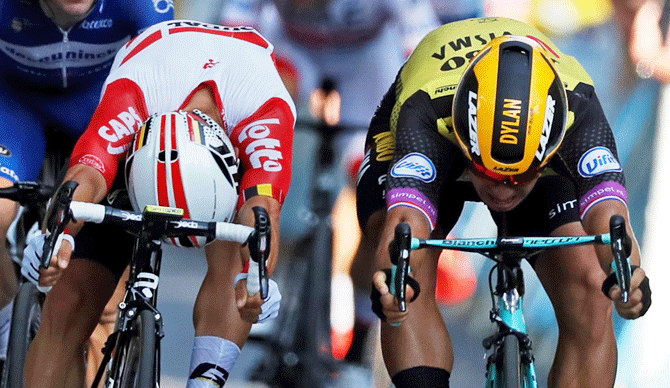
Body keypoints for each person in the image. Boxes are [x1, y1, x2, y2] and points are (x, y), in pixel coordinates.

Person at [357, 17, 652, 387]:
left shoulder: (580, 112)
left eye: (519, 178)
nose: (502, 192)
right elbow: (405, 220)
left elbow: (611, 220)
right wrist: (393, 280)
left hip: (516, 150)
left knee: (593, 289)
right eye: (489, 174)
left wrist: (627, 280)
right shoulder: (428, 113)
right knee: (403, 272)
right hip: (439, 141)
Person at [21, 19, 295, 388]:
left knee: (240, 257)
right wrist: (58, 232)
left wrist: (258, 274)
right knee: (69, 305)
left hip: (234, 109)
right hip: (151, 106)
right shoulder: (136, 90)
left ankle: (205, 381)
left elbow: (263, 209)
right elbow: (87, 172)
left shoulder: (266, 109)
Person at [220, 0, 440, 361]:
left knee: (379, 198)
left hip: (366, 61)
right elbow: (235, 29)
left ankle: (359, 344)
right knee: (262, 143)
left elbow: (425, 45)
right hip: (293, 51)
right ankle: (257, 275)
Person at [0, 0, 173, 376]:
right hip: (14, 109)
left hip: (100, 113)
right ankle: (7, 328)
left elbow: (169, 77)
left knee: (99, 303)